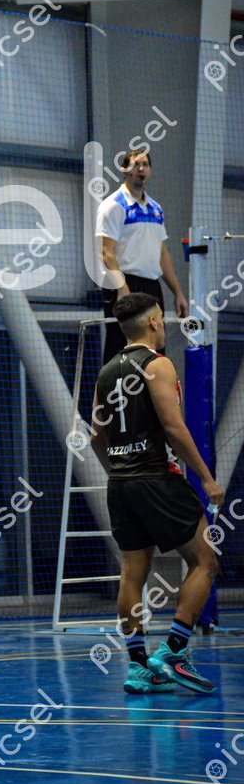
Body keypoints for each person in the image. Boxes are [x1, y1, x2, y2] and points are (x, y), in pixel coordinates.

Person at [90, 293, 223, 694]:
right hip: (157, 478)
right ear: (152, 322)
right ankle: (174, 651)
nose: (163, 326)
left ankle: (137, 667)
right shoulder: (157, 364)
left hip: (121, 483)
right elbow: (173, 426)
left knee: (133, 572)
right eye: (161, 320)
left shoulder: (105, 372)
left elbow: (95, 435)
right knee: (205, 561)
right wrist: (206, 478)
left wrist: (118, 471)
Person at [96, 149, 188, 363]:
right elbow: (106, 251)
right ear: (124, 171)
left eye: (145, 164)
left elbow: (162, 254)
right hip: (123, 285)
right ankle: (116, 385)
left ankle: (152, 385)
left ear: (150, 170)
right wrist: (123, 290)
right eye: (135, 164)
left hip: (151, 287)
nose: (141, 169)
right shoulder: (113, 205)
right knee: (122, 347)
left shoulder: (156, 209)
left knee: (155, 347)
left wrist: (178, 293)